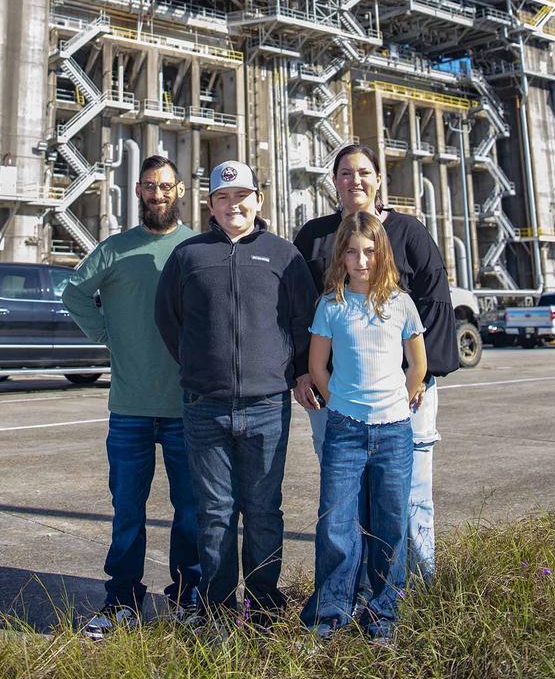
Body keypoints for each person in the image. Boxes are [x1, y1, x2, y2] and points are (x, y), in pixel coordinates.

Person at [154, 160, 318, 625]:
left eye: (242, 196)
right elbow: (170, 321)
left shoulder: (284, 255)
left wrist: (294, 370)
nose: (233, 205)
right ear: (210, 205)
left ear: (258, 200)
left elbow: (302, 320)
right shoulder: (188, 256)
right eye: (223, 198)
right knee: (215, 512)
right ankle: (219, 607)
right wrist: (198, 364)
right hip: (205, 407)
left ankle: (264, 603)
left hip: (267, 405)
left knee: (264, 510)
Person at [294, 143, 458, 582]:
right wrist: (301, 373)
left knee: (411, 495)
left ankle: (417, 587)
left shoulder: (408, 232)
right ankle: (358, 590)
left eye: (364, 172)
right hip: (335, 397)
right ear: (335, 182)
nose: (355, 181)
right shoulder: (313, 236)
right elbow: (295, 310)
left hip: (405, 396)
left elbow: (435, 300)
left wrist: (420, 381)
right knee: (344, 498)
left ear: (379, 179)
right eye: (345, 173)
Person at [62, 154, 200, 639]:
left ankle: (188, 598)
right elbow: (74, 292)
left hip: (187, 407)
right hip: (130, 408)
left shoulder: (196, 247)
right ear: (138, 191)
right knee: (127, 511)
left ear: (179, 191)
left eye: (165, 186)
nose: (157, 194)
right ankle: (122, 599)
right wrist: (107, 334)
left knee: (192, 512)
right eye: (148, 186)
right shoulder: (115, 249)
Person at [301, 211, 426, 641]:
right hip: (345, 431)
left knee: (390, 523)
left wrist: (403, 398)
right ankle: (330, 614)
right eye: (352, 252)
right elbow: (317, 367)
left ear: (382, 254)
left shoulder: (400, 303)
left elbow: (418, 363)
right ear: (341, 256)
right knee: (337, 524)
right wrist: (342, 404)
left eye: (370, 251)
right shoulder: (332, 304)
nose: (361, 260)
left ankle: (382, 613)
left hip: (394, 432)